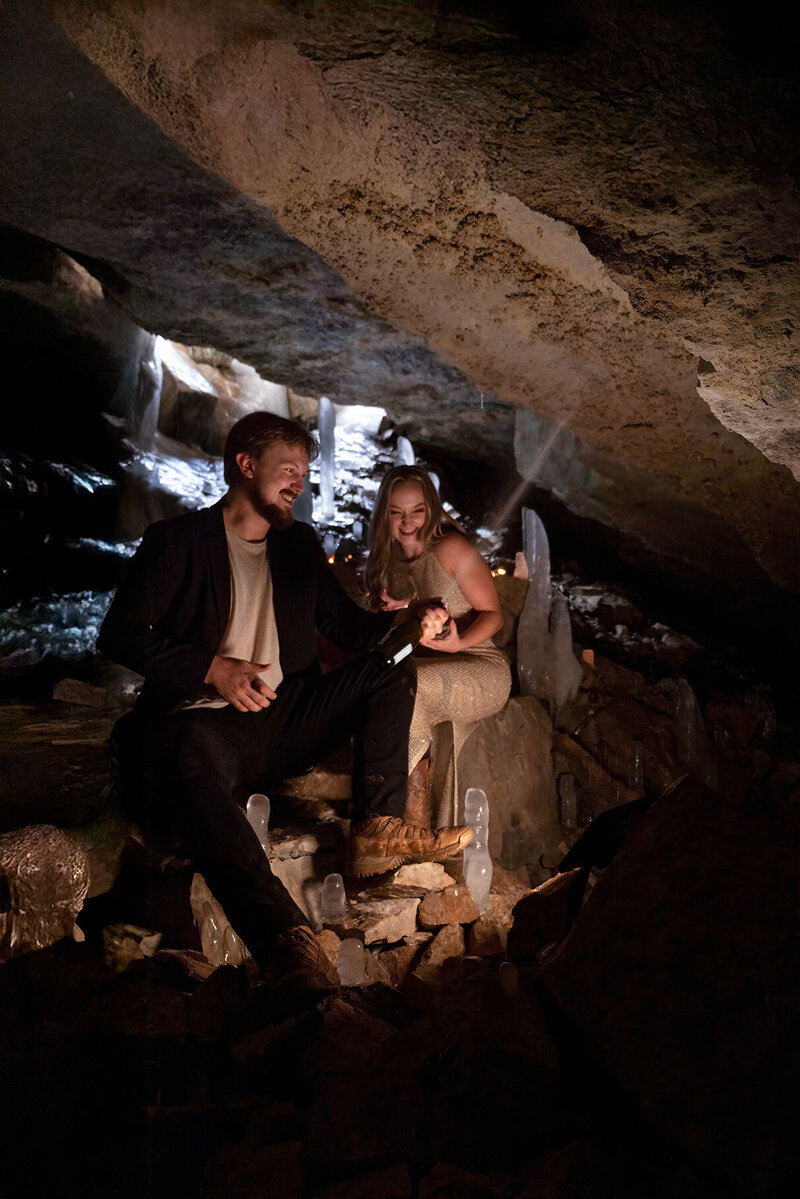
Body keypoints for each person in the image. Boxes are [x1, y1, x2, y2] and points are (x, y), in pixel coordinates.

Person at [98, 413, 473, 1014]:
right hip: (204, 723)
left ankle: (377, 828)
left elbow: (348, 629)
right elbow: (117, 635)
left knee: (392, 663)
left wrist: (409, 619)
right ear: (246, 465)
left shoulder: (298, 546)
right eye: (289, 469)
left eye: (306, 471)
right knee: (186, 754)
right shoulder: (178, 542)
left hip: (285, 717)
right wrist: (213, 668)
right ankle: (286, 944)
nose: (300, 482)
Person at [365, 465, 512, 828]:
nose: (407, 521)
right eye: (397, 512)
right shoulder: (388, 562)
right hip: (425, 663)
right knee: (376, 683)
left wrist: (459, 641)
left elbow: (494, 615)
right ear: (384, 513)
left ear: (431, 508)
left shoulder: (450, 548)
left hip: (481, 666)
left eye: (416, 510)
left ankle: (409, 825)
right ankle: (381, 808)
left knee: (409, 689)